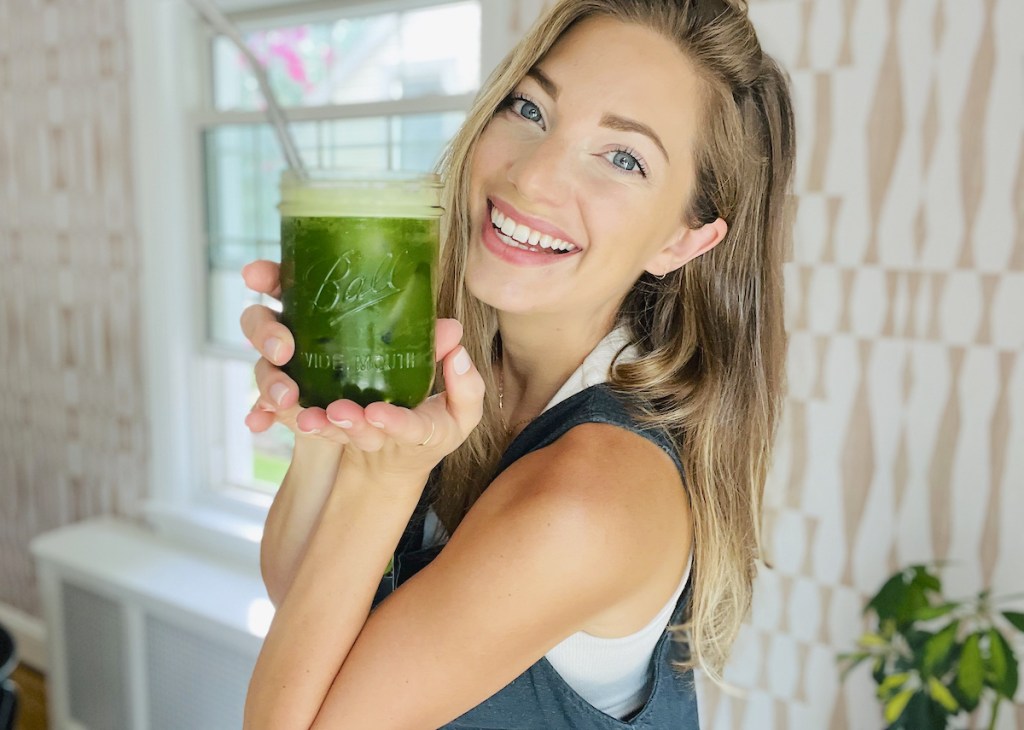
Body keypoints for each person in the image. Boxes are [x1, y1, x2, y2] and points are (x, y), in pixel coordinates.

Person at [239, 0, 795, 727]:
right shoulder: (451, 365)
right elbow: (303, 595)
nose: (534, 178)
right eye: (530, 109)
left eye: (623, 158)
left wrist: (385, 477)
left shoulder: (589, 497)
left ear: (683, 242)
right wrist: (324, 416)